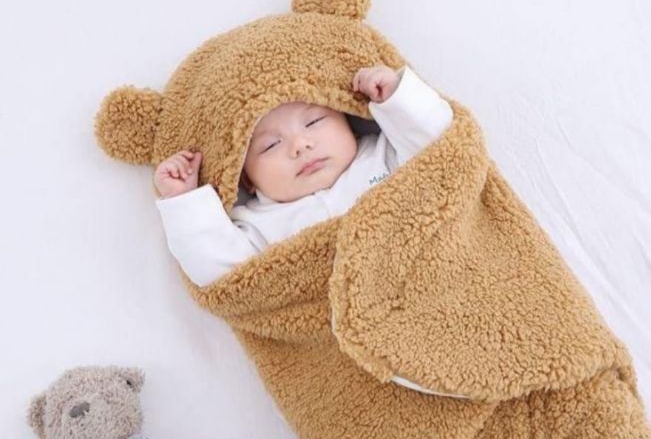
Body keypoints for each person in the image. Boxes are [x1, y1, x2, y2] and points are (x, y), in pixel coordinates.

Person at [153, 64, 453, 288]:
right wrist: (186, 201)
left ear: (347, 120)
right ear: (246, 180)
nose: (300, 145)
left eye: (314, 121)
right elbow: (220, 274)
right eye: (270, 145)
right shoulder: (259, 225)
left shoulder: (383, 155)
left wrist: (396, 96)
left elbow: (442, 149)